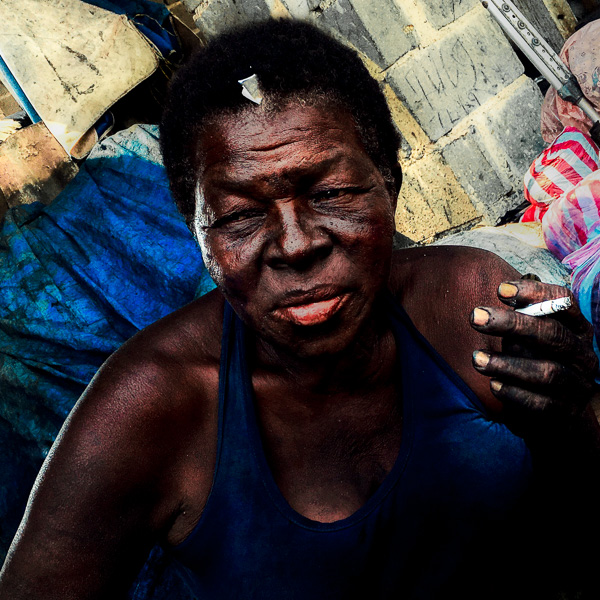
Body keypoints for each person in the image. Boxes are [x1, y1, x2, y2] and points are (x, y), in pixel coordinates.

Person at [0, 18, 599, 599]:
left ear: (389, 182)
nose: (295, 244)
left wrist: (579, 412)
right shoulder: (152, 408)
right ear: (197, 234)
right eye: (238, 216)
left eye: (332, 193)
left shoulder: (466, 304)